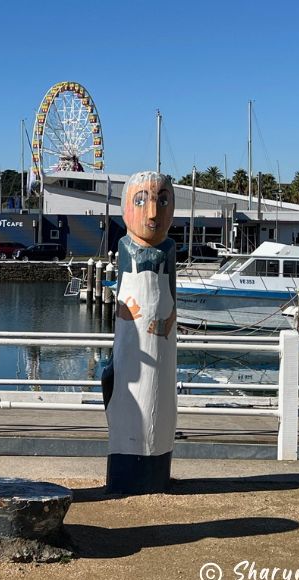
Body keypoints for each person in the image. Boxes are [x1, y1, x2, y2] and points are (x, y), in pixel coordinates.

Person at [102, 171, 177, 494]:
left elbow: (169, 304)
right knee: (121, 395)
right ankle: (127, 470)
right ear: (125, 209)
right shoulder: (126, 248)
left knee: (160, 404)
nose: (153, 213)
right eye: (141, 201)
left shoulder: (168, 250)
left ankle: (155, 472)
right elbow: (124, 304)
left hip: (161, 351)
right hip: (132, 351)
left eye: (163, 201)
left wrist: (165, 324)